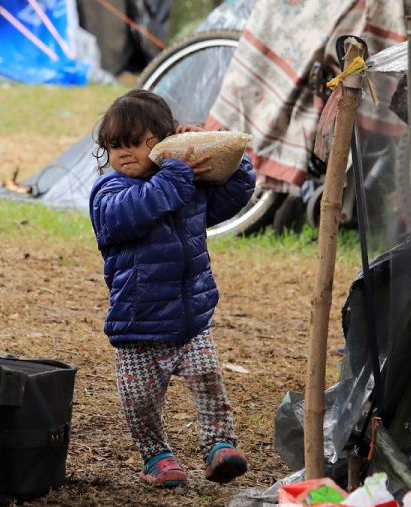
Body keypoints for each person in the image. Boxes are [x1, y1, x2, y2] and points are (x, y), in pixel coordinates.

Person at [89, 89, 255, 488]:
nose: (125, 153)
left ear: (162, 142)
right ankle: (157, 457)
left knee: (207, 378)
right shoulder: (110, 193)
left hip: (189, 319)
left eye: (136, 143)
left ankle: (220, 446)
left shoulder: (184, 187)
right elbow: (136, 210)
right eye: (115, 146)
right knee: (140, 401)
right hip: (137, 324)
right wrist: (176, 172)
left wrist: (210, 153)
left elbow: (236, 192)